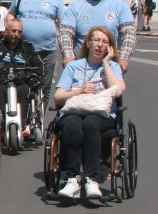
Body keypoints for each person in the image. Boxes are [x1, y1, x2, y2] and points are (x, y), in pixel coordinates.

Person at [53, 27, 126, 200]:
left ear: (109, 47)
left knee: (90, 124)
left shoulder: (113, 67)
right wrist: (79, 90)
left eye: (105, 42)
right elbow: (58, 97)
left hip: (102, 114)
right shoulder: (73, 67)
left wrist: (106, 63)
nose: (100, 45)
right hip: (75, 109)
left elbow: (119, 90)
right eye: (96, 40)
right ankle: (72, 178)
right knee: (72, 124)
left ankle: (92, 179)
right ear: (88, 43)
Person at [6, 0, 65, 106]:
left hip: (46, 51)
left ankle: (40, 121)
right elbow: (10, 14)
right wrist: (9, 26)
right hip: (22, 50)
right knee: (21, 83)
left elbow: (62, 23)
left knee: (44, 86)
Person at [61, 0, 135, 72]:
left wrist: (124, 58)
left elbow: (129, 34)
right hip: (81, 67)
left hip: (110, 67)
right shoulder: (75, 7)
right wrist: (68, 57)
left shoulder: (120, 6)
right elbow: (65, 33)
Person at [0, 19, 43, 138]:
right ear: (6, 31)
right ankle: (0, 126)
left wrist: (34, 75)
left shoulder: (27, 47)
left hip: (22, 81)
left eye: (19, 32)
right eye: (13, 31)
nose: (16, 34)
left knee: (24, 90)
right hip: (3, 81)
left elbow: (38, 65)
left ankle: (23, 125)